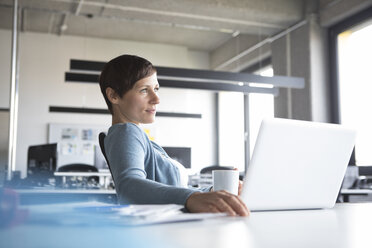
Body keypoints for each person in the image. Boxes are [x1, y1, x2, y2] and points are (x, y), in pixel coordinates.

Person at [99, 54, 249, 216]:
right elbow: (129, 187)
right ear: (113, 96)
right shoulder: (127, 132)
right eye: (144, 90)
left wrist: (213, 192)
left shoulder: (142, 140)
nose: (156, 99)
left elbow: (177, 190)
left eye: (155, 89)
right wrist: (192, 198)